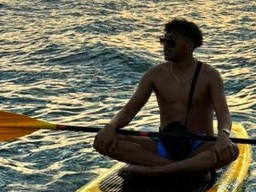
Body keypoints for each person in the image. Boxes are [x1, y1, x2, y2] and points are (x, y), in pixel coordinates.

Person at [93, 18, 238, 182]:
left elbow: (223, 114)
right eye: (163, 41)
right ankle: (188, 169)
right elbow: (129, 110)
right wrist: (110, 126)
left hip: (199, 145)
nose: (165, 47)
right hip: (164, 143)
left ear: (189, 46)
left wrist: (223, 135)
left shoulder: (210, 75)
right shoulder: (154, 75)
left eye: (171, 43)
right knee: (109, 141)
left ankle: (154, 171)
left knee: (232, 150)